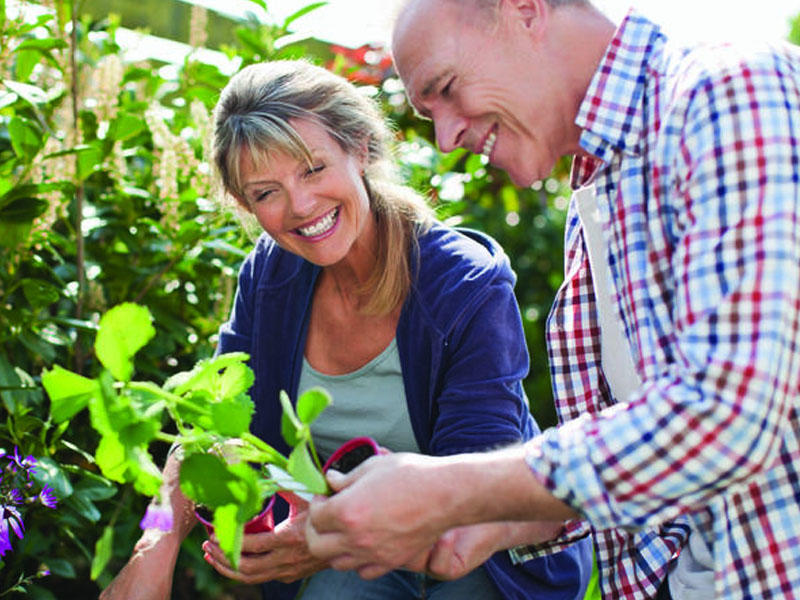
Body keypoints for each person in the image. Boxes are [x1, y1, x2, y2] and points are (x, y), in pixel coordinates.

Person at [305, 1, 800, 599]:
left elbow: (727, 413)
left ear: (525, 10)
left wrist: (447, 489)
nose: (445, 137)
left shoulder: (729, 90)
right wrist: (478, 526)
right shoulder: (600, 189)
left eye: (446, 88)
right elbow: (647, 463)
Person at [98, 59, 592, 600]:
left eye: (313, 169)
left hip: (487, 548)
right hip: (350, 546)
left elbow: (466, 496)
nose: (300, 206)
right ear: (245, 205)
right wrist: (155, 547)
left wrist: (324, 534)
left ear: (359, 148)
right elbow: (216, 424)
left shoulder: (463, 284)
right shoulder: (270, 276)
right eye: (266, 192)